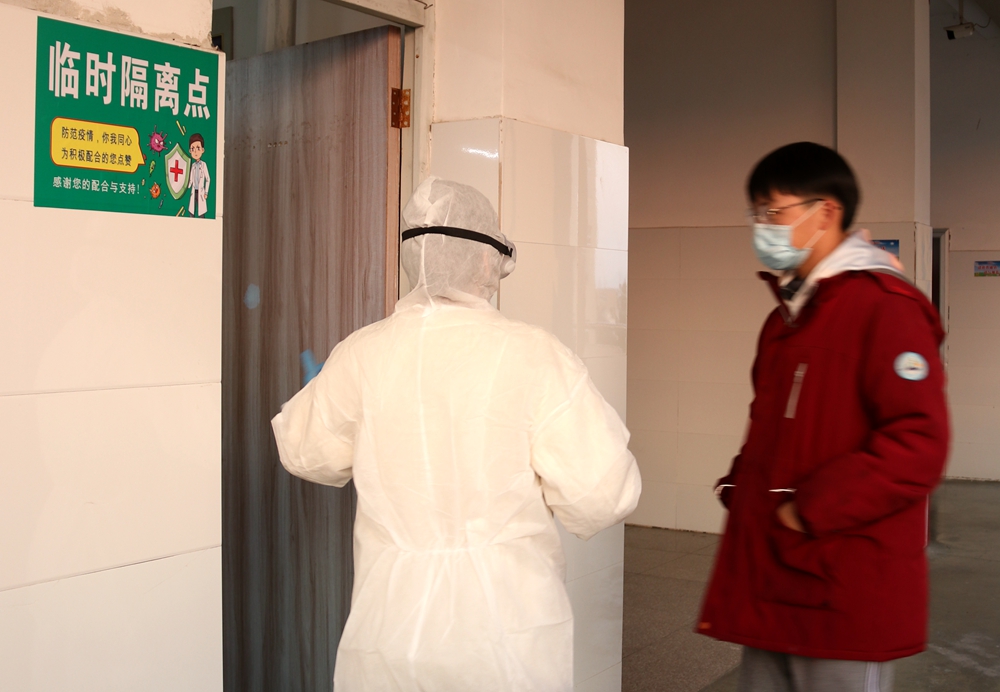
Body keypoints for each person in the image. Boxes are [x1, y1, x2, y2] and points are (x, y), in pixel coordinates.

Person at [271, 177, 642, 692]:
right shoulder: (534, 354)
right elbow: (602, 493)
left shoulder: (362, 353)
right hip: (505, 634)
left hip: (392, 631)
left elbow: (304, 451)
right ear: (488, 261)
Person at [697, 142, 949, 692]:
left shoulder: (887, 308)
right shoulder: (786, 319)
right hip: (774, 570)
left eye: (773, 212)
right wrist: (742, 485)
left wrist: (808, 510)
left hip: (842, 578)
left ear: (826, 212)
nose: (761, 226)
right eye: (756, 213)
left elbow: (918, 443)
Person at [187, 133, 210, 217]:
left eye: (198, 148)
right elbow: (190, 180)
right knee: (192, 212)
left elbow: (208, 179)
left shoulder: (203, 165)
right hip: (194, 191)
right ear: (190, 151)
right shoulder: (192, 166)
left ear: (202, 150)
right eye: (193, 149)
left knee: (201, 213)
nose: (195, 151)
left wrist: (206, 192)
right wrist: (186, 186)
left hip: (201, 192)